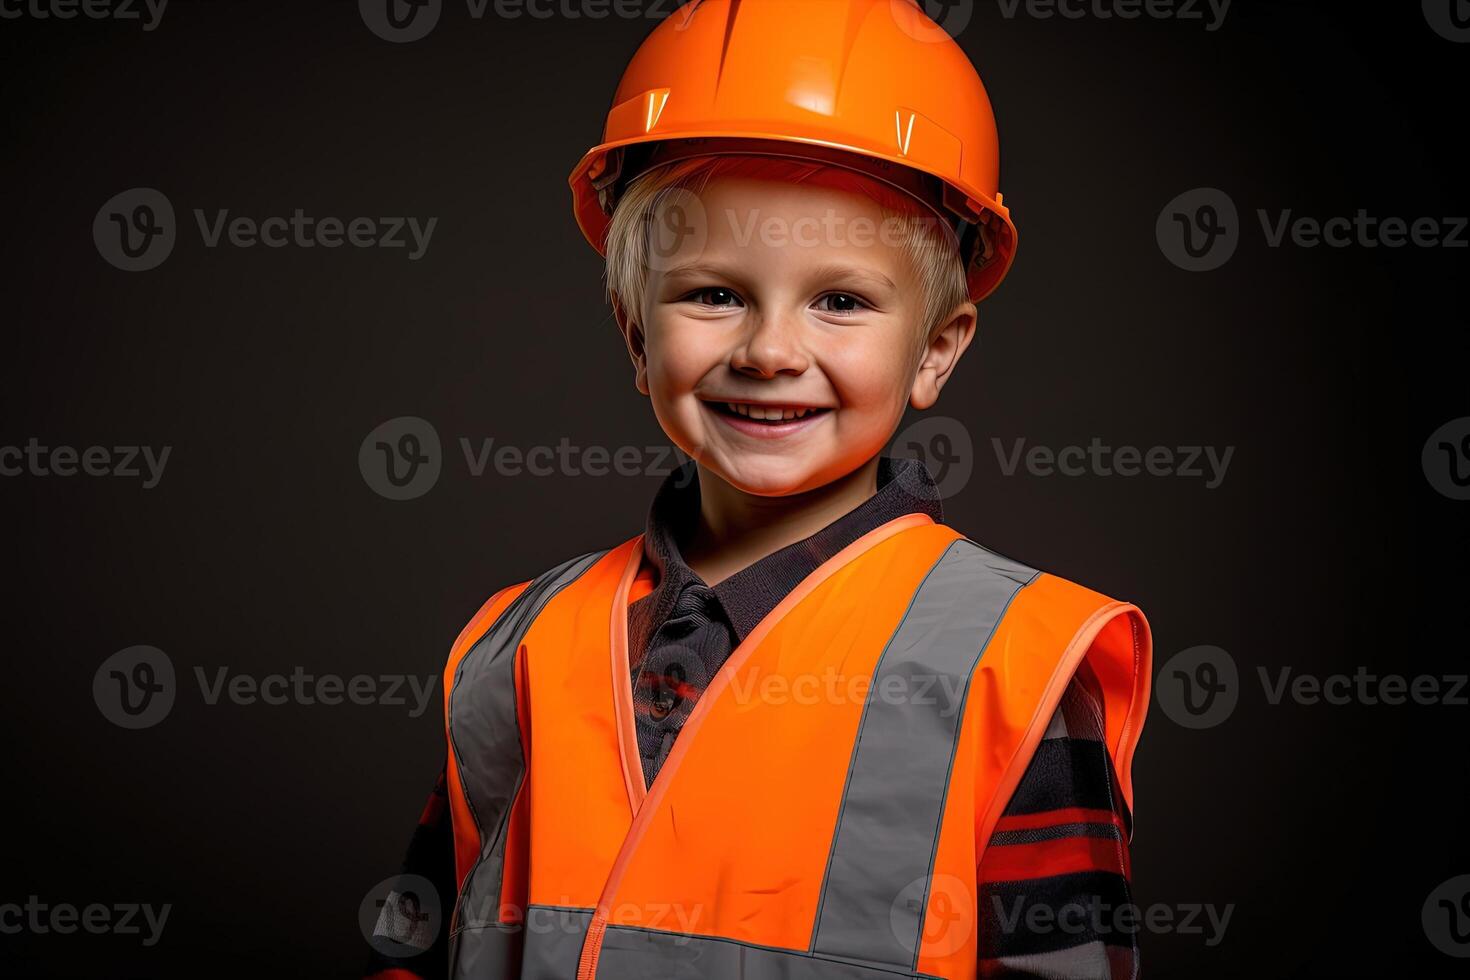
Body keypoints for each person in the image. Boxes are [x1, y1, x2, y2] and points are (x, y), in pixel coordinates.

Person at [366, 2, 1151, 977]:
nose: (771, 351)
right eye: (715, 293)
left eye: (841, 301)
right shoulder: (521, 641)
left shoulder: (1014, 669)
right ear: (635, 333)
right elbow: (418, 941)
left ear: (936, 352)